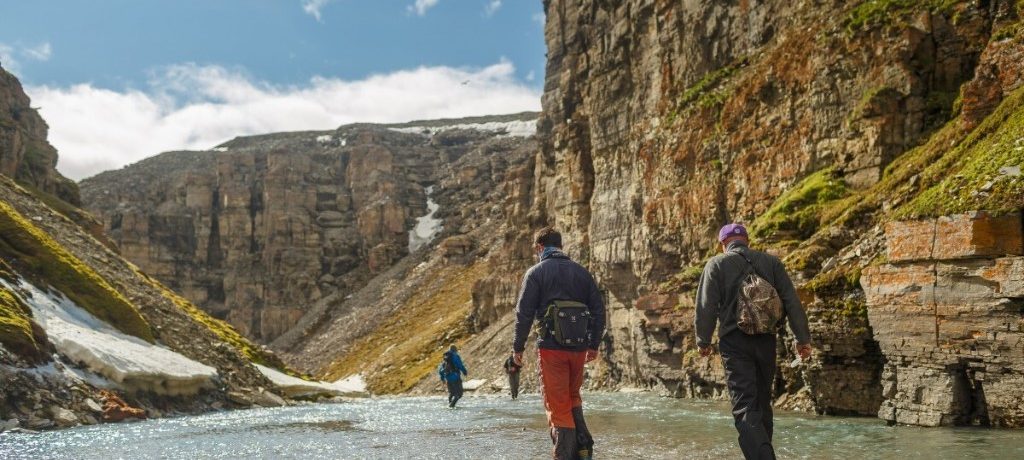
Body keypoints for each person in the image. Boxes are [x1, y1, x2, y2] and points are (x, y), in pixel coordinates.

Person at [695, 223, 813, 460]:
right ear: (747, 240)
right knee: (761, 404)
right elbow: (791, 302)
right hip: (766, 341)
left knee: (745, 406)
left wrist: (703, 340)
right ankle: (763, 453)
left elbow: (706, 307)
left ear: (723, 244)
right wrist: (803, 339)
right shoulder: (771, 263)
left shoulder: (716, 264)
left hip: (734, 343)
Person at [511, 227, 606, 460]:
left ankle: (563, 455)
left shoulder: (536, 273)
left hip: (552, 350)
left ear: (540, 247)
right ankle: (584, 450)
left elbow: (523, 314)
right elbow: (599, 311)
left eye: (536, 249)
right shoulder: (582, 273)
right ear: (560, 246)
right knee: (573, 397)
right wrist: (593, 344)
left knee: (558, 405)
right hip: (579, 349)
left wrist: (518, 348)